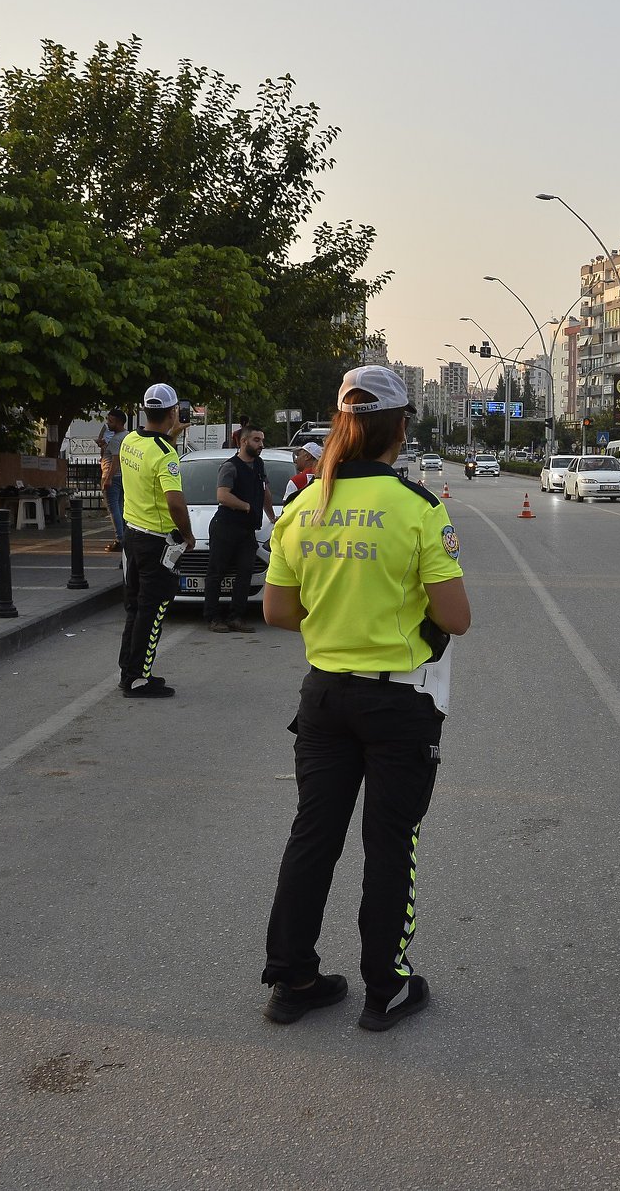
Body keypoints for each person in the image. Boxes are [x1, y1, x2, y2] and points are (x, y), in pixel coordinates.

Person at [260, 364, 470, 1032]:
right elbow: (456, 616)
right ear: (400, 426)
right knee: (389, 844)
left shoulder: (302, 506)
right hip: (396, 704)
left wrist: (333, 617)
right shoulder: (416, 508)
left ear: (342, 425)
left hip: (323, 696)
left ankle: (291, 979)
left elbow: (276, 611)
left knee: (311, 839)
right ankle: (386, 988)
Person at [116, 384, 193, 697]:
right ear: (174, 412)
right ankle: (138, 678)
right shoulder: (166, 455)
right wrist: (187, 535)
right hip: (157, 543)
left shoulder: (130, 440)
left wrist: (171, 436)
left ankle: (130, 671)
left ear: (145, 410)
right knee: (154, 609)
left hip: (133, 534)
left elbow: (152, 455)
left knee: (136, 607)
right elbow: (175, 502)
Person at [204, 424, 275, 634]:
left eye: (262, 440)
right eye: (256, 440)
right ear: (244, 442)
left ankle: (236, 616)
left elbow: (266, 492)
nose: (261, 444)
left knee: (245, 572)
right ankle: (213, 617)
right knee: (216, 572)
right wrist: (246, 506)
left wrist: (271, 516)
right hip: (226, 526)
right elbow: (222, 496)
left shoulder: (259, 464)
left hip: (247, 530)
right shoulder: (230, 466)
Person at [97, 408, 128, 552]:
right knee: (120, 508)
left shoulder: (116, 439)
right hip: (122, 477)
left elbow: (115, 460)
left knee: (113, 509)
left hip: (112, 477)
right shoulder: (127, 436)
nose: (108, 424)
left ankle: (120, 539)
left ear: (119, 422)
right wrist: (103, 446)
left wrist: (107, 479)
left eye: (111, 421)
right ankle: (124, 538)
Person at [282, 441, 321, 505]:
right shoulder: (328, 478)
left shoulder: (296, 481)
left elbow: (286, 508)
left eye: (298, 455)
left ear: (307, 457)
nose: (295, 460)